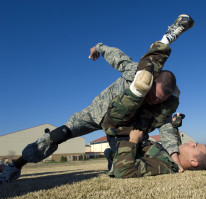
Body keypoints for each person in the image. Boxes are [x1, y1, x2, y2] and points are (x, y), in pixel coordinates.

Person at [0, 14, 194, 183]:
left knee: (130, 158)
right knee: (58, 135)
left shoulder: (165, 103)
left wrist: (174, 154)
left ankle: (112, 154)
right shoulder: (137, 73)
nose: (153, 100)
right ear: (150, 82)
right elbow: (117, 56)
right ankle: (16, 165)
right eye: (152, 95)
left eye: (159, 100)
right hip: (97, 112)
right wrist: (98, 48)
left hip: (122, 126)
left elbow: (166, 126)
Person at [108, 129, 206, 178]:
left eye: (195, 146)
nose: (191, 142)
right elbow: (204, 162)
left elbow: (123, 171)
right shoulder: (174, 156)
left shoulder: (164, 165)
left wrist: (133, 140)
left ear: (193, 162)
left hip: (123, 147)